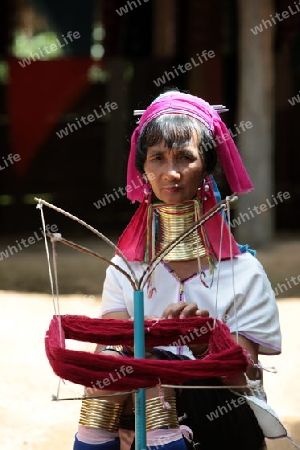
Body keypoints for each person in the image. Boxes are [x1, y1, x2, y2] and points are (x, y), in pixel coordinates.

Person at [72, 90, 282, 450]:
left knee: (156, 382)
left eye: (185, 157)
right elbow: (110, 353)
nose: (171, 173)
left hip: (224, 414)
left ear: (206, 167)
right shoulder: (127, 268)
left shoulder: (244, 272)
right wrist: (118, 353)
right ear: (144, 170)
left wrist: (204, 343)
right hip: (139, 402)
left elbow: (242, 378)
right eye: (157, 158)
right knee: (107, 383)